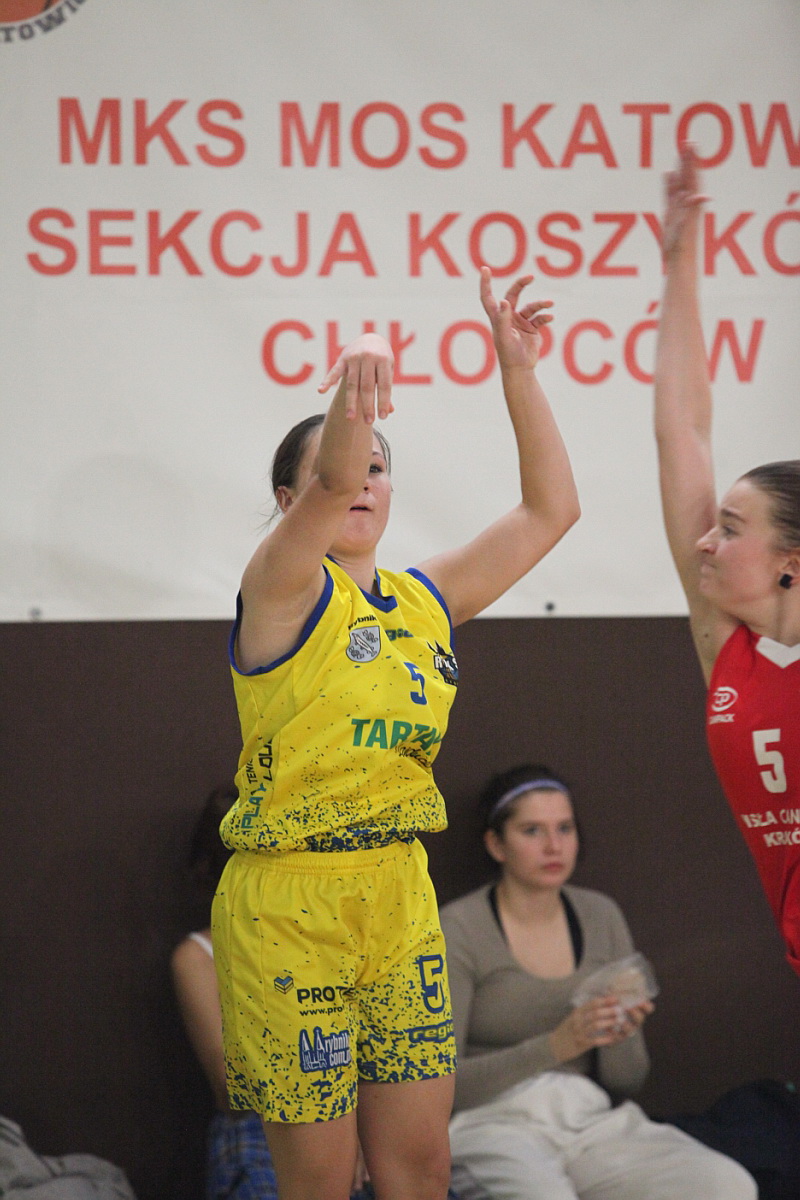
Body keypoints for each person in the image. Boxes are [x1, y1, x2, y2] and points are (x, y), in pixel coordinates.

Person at [211, 267, 581, 1200]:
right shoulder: (281, 587)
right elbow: (335, 477)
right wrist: (359, 380)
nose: (362, 483)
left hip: (397, 891)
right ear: (290, 500)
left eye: (381, 468)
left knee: (421, 1167)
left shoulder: (425, 598)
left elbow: (552, 512)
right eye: (342, 472)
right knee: (323, 1181)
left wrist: (519, 370)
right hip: (289, 904)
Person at [439, 764, 757, 1200]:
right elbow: (440, 1085)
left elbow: (627, 1082)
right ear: (497, 844)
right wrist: (557, 1045)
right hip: (492, 1122)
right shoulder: (458, 928)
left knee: (725, 1185)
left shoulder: (600, 915)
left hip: (586, 1117)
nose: (554, 846)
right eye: (532, 831)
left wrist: (618, 1034)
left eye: (565, 828)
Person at [654, 143, 800, 974]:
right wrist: (680, 265)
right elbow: (684, 431)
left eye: (733, 528)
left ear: (791, 562)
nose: (707, 539)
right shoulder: (728, 646)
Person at [172, 787, 377, 1200]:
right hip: (262, 1124)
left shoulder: (335, 935)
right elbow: (231, 1086)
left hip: (355, 1112)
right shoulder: (198, 956)